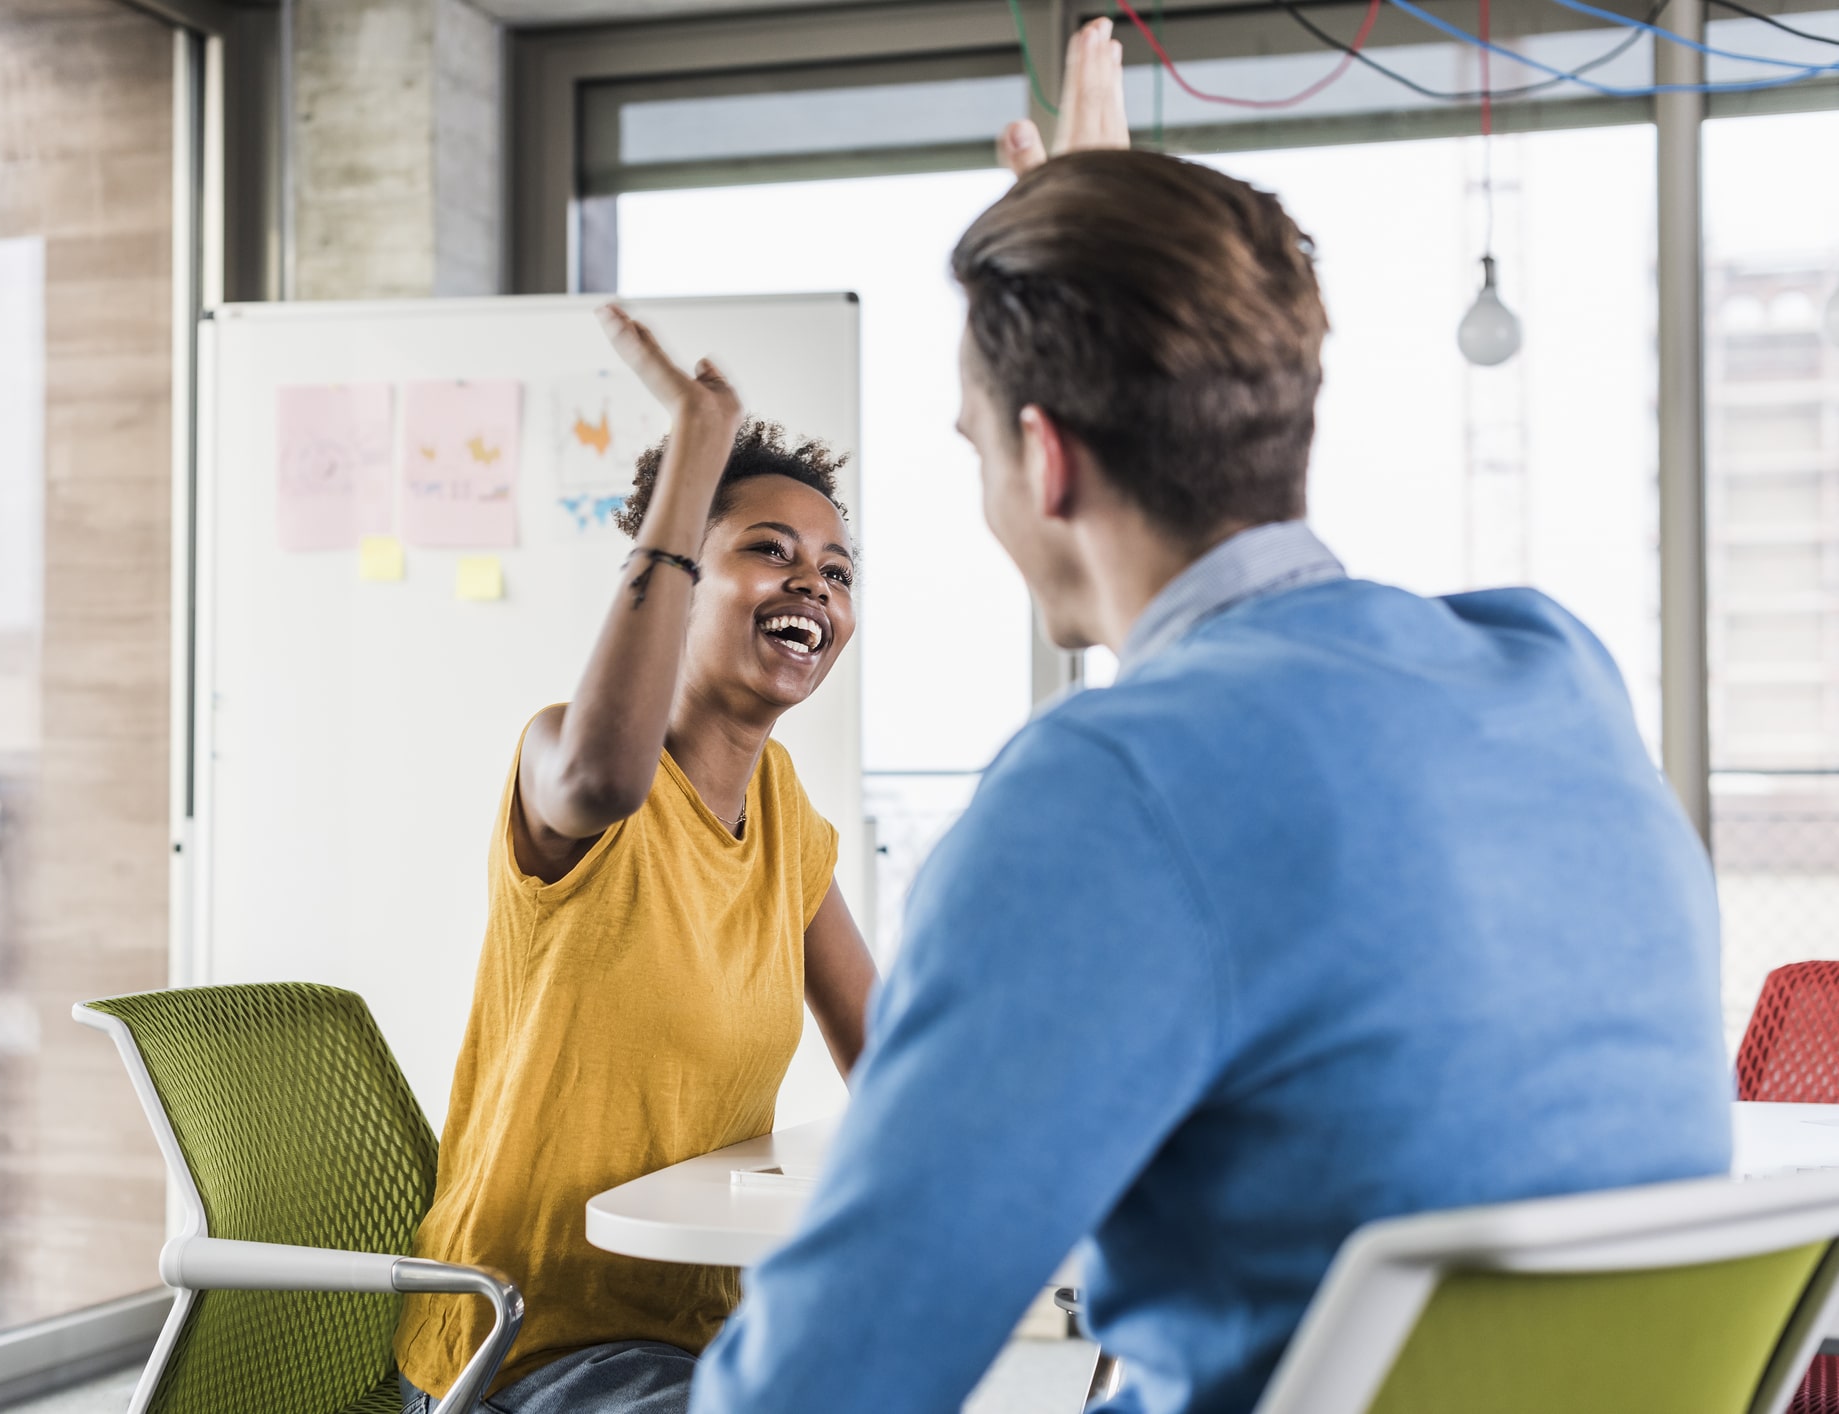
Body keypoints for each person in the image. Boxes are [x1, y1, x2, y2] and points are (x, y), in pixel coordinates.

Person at [688, 19, 1733, 1414]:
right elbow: (1265, 736)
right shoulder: (1551, 677)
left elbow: (816, 1387)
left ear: (1043, 457)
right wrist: (1127, 271)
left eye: (972, 443)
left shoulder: (1097, 794)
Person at [395, 307, 878, 1413]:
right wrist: (697, 445)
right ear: (680, 583)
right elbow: (607, 777)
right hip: (523, 1343)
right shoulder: (567, 758)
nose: (814, 584)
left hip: (703, 1329)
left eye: (836, 570)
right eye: (767, 550)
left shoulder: (784, 815)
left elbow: (887, 1053)